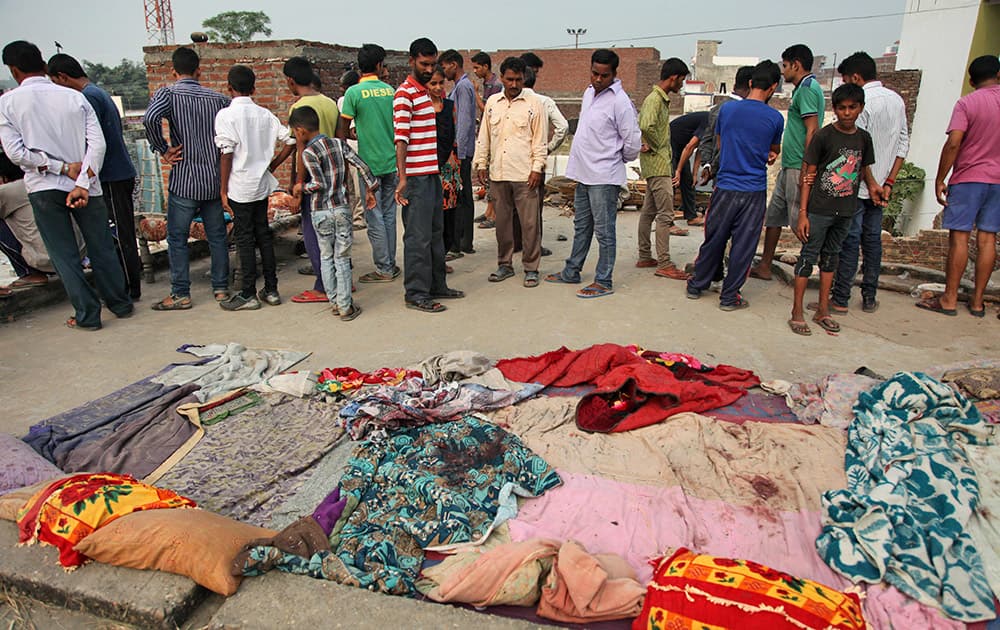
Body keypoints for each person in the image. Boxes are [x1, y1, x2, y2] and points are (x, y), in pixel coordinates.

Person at [0, 40, 132, 329]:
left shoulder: (8, 102)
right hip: (87, 185)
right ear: (45, 67)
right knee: (101, 247)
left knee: (65, 254)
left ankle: (87, 315)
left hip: (45, 185)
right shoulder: (74, 98)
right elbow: (97, 145)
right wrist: (82, 180)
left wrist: (58, 168)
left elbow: (15, 153)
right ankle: (120, 304)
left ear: (14, 70)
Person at [686, 60, 784, 310]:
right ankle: (729, 297)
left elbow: (720, 144)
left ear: (750, 82)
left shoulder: (726, 111)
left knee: (714, 238)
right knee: (743, 245)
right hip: (753, 189)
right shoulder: (774, 118)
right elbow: (773, 152)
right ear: (773, 87)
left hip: (726, 185)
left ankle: (697, 284)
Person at [545, 49, 641, 298]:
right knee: (582, 226)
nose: (598, 79)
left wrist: (616, 159)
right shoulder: (589, 93)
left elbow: (632, 141)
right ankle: (572, 270)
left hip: (604, 176)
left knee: (604, 231)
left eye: (604, 75)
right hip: (583, 173)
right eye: (595, 73)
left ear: (614, 74)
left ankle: (603, 280)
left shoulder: (621, 102)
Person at [789, 84, 883, 335]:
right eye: (842, 108)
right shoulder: (823, 136)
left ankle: (822, 310)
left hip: (846, 209)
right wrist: (803, 213)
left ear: (860, 108)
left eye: (852, 108)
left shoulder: (863, 138)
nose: (847, 113)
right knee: (808, 258)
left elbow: (863, 169)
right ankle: (797, 312)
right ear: (835, 109)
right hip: (819, 209)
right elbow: (808, 174)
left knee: (831, 259)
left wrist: (873, 186)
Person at [47, 53, 142, 300]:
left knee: (119, 235)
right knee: (121, 232)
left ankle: (129, 287)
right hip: (116, 172)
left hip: (111, 174)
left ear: (62, 77)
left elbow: (92, 142)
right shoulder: (98, 94)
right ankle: (128, 284)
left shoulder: (87, 98)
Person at [144, 46, 231, 310]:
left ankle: (181, 293)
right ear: (198, 70)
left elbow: (150, 118)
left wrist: (163, 149)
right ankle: (221, 289)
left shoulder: (168, 93)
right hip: (214, 179)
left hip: (184, 179)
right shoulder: (217, 99)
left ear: (173, 70)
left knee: (177, 238)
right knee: (217, 237)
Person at [826, 52, 910, 314]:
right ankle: (869, 296)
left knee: (850, 242)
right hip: (882, 187)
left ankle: (840, 298)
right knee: (872, 242)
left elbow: (856, 149)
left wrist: (872, 183)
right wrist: (888, 183)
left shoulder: (862, 103)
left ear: (855, 77)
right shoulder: (897, 101)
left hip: (859, 187)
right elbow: (903, 145)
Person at [918, 55, 1000, 318]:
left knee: (960, 238)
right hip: (998, 180)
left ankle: (950, 299)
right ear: (998, 75)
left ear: (971, 79)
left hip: (969, 177)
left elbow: (954, 142)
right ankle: (977, 303)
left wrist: (942, 177)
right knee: (988, 239)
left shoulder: (967, 103)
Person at [214, 65, 296, 311]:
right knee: (264, 236)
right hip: (260, 184)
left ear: (229, 88)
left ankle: (248, 293)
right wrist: (272, 165)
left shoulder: (226, 116)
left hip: (239, 186)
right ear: (253, 88)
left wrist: (223, 189)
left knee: (245, 239)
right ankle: (271, 289)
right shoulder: (265, 115)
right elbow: (291, 140)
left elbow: (226, 153)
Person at [393, 37, 464, 313]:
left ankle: (437, 285)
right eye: (424, 64)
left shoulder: (427, 93)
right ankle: (416, 293)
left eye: (432, 64)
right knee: (418, 237)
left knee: (436, 234)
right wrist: (402, 178)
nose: (428, 68)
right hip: (416, 178)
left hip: (432, 173)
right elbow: (401, 138)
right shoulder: (404, 94)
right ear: (411, 61)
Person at [290, 105, 377, 321]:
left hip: (320, 211)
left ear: (301, 131)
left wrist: (301, 188)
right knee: (342, 257)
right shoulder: (338, 143)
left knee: (326, 256)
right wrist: (371, 189)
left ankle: (335, 302)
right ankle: (346, 306)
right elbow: (362, 166)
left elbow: (318, 183)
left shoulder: (309, 152)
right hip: (341, 209)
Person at [750, 44, 825, 281]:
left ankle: (815, 265)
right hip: (789, 164)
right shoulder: (803, 89)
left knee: (798, 219)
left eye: (785, 65)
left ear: (796, 64)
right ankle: (764, 265)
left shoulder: (808, 90)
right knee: (774, 217)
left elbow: (812, 130)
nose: (783, 72)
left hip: (798, 166)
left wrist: (806, 167)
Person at [474, 56, 546, 287]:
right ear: (502, 78)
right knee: (502, 224)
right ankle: (504, 264)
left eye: (518, 80)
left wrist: (537, 169)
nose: (514, 85)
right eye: (509, 79)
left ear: (524, 79)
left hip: (525, 176)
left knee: (530, 224)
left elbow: (540, 140)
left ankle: (531, 268)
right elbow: (483, 136)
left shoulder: (535, 104)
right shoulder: (493, 103)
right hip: (498, 174)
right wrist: (481, 163)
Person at [340, 44, 401, 284]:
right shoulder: (390, 91)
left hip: (368, 167)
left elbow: (343, 132)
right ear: (379, 65)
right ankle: (390, 263)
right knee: (388, 215)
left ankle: (384, 268)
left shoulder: (353, 94)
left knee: (373, 217)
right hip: (391, 162)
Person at [283, 56, 340, 304]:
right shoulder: (330, 103)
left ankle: (323, 285)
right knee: (337, 234)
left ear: (291, 81)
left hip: (312, 180)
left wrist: (297, 185)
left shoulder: (298, 108)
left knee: (313, 234)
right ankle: (339, 279)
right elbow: (340, 141)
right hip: (334, 177)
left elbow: (300, 150)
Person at [636, 57, 690, 280]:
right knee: (666, 215)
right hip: (658, 165)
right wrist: (656, 146)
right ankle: (664, 263)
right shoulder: (655, 99)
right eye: (682, 80)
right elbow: (645, 125)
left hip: (655, 165)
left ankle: (645, 255)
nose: (682, 85)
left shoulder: (657, 99)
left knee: (649, 211)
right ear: (674, 77)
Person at [518, 65, 567, 258]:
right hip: (536, 162)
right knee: (534, 207)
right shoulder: (544, 101)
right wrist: (548, 148)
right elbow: (562, 127)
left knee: (513, 206)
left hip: (513, 161)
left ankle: (516, 243)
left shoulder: (507, 101)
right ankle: (533, 245)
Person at [439, 49, 477, 257]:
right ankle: (463, 241)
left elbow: (462, 123)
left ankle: (462, 242)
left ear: (453, 64)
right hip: (461, 151)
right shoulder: (462, 86)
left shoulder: (462, 87)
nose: (443, 71)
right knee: (462, 196)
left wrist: (458, 154)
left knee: (461, 197)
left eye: (444, 66)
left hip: (460, 152)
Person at [0, 151, 51, 296]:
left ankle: (30, 273)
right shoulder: (39, 180)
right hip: (76, 255)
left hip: (46, 260)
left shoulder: (7, 190)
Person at [427, 66, 462, 272]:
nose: (438, 87)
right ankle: (432, 259)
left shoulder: (449, 106)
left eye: (441, 83)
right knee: (431, 216)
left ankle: (443, 255)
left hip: (448, 168)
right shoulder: (421, 108)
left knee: (449, 216)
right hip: (429, 166)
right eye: (433, 83)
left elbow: (453, 135)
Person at [696, 66, 755, 187]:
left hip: (720, 178)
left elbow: (706, 139)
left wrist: (707, 165)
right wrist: (712, 167)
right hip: (736, 178)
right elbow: (724, 146)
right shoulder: (742, 111)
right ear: (751, 84)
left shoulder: (717, 108)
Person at [337, 70, 367, 231]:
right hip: (353, 145)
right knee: (356, 184)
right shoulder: (358, 96)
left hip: (351, 146)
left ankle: (359, 218)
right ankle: (357, 216)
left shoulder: (345, 99)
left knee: (355, 186)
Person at [670, 110, 709, 225]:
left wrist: (695, 174)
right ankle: (667, 222)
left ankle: (691, 216)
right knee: (672, 180)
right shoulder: (710, 121)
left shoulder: (714, 127)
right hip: (670, 142)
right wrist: (678, 170)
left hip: (682, 147)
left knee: (688, 180)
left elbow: (699, 149)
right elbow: (690, 147)